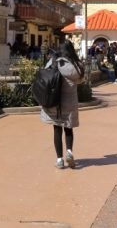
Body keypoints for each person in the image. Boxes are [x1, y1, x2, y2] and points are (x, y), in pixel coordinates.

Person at [40, 41, 84, 169]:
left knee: (57, 129)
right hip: (69, 102)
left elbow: (45, 74)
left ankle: (59, 160)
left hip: (55, 101)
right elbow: (81, 80)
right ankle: (69, 152)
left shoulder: (54, 62)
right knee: (68, 128)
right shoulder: (76, 65)